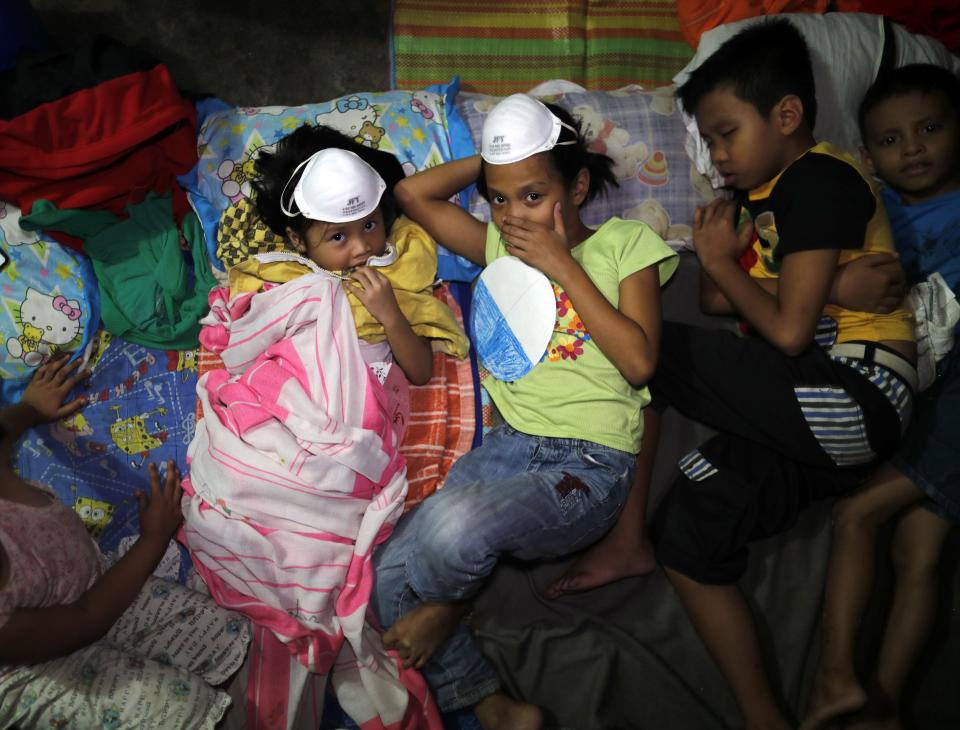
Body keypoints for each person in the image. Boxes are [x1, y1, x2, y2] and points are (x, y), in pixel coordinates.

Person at [556, 19, 919, 730]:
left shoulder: (819, 178)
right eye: (709, 141)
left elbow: (784, 332)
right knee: (689, 534)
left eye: (726, 134)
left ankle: (623, 539)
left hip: (855, 393)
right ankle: (766, 716)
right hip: (815, 421)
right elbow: (727, 302)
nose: (716, 157)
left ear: (786, 116)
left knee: (647, 350)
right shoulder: (768, 199)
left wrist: (724, 260)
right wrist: (731, 253)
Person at [369, 93, 678, 728]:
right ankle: (491, 703)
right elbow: (412, 198)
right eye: (500, 199)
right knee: (380, 580)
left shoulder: (627, 244)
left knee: (450, 531)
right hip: (509, 450)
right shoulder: (500, 247)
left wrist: (563, 263)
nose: (514, 215)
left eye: (533, 196)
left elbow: (640, 363)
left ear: (580, 186)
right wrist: (496, 160)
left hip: (589, 467)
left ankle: (450, 605)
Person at [802, 63, 960, 730]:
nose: (913, 148)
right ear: (868, 155)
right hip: (914, 384)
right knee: (918, 550)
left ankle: (836, 679)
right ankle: (884, 707)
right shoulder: (874, 206)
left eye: (929, 129)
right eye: (891, 141)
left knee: (859, 517)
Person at [0, 354, 250, 728]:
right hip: (36, 664)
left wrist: (31, 409)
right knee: (177, 712)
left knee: (221, 634)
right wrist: (153, 539)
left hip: (83, 583)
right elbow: (86, 618)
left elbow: (4, 428)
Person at [249, 125, 437, 385]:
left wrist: (390, 315)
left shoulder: (401, 269)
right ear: (297, 240)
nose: (362, 248)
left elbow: (421, 372)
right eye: (338, 237)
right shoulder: (281, 280)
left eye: (370, 225)